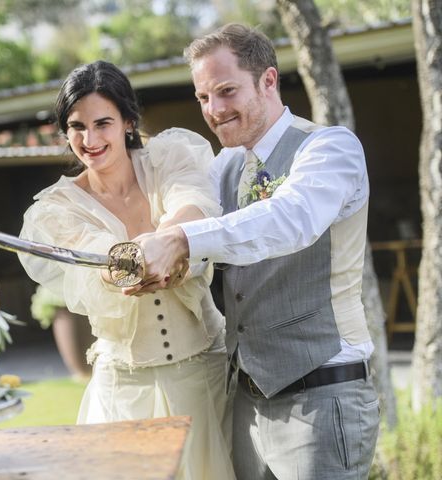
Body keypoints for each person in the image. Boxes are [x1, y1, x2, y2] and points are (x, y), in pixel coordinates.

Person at [127, 24, 380, 479]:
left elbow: (291, 219)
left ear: (268, 80)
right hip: (243, 400)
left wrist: (184, 240)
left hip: (321, 395)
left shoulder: (328, 148)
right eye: (204, 97)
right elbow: (195, 227)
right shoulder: (223, 167)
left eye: (226, 91)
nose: (214, 110)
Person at [18, 60, 235, 480]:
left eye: (103, 123)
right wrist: (127, 266)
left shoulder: (169, 157)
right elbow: (92, 259)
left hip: (206, 375)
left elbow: (191, 202)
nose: (91, 138)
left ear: (128, 122)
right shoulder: (56, 209)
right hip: (125, 386)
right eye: (77, 126)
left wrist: (166, 244)